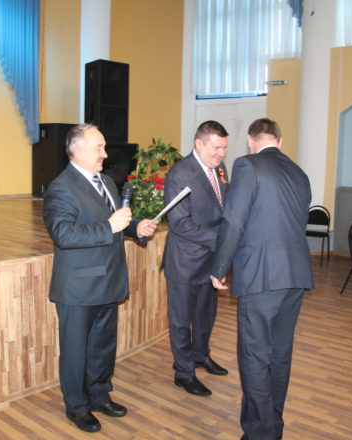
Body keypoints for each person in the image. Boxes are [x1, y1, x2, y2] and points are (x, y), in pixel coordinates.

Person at [43, 123, 157, 433]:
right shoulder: (61, 187)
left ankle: (99, 395)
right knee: (76, 351)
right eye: (99, 148)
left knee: (103, 347)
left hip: (109, 280)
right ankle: (77, 407)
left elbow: (117, 220)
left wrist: (136, 227)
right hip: (79, 287)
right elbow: (64, 234)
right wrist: (110, 226)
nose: (106, 154)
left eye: (104, 147)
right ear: (78, 150)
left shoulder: (106, 181)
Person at [210, 118, 313, 440]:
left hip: (261, 274)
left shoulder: (248, 165)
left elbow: (234, 220)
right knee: (279, 354)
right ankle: (273, 426)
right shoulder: (299, 173)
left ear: (251, 141)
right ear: (279, 141)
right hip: (296, 275)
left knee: (255, 355)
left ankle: (260, 434)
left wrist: (219, 267)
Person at [162, 120, 230, 397]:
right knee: (181, 320)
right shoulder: (180, 173)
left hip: (211, 259)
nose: (221, 154)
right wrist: (222, 239)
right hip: (185, 261)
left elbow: (224, 209)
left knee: (205, 315)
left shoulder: (221, 169)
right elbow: (180, 223)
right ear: (198, 143)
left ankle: (201, 355)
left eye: (224, 148)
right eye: (216, 148)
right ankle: (184, 372)